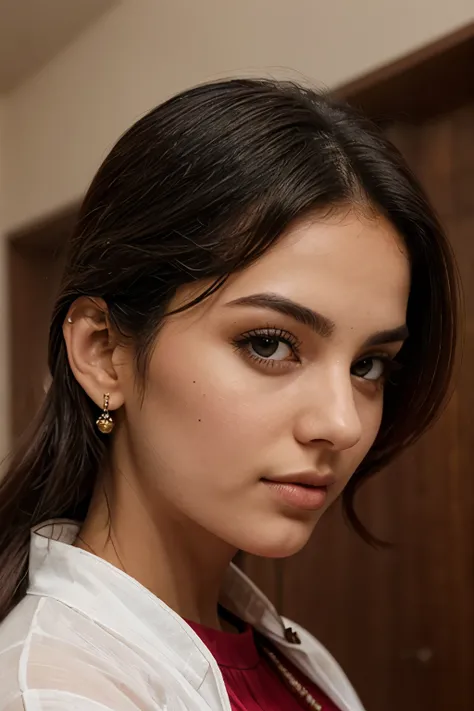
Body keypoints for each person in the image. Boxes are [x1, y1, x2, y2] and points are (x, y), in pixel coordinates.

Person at [0, 78, 459, 711]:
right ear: (105, 353)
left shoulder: (287, 658)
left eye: (371, 365)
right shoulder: (58, 689)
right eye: (270, 344)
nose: (343, 422)